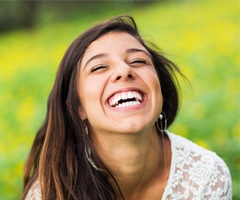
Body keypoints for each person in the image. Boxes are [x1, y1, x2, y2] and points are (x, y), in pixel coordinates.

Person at [22, 15, 232, 200]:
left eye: (138, 60)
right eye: (99, 67)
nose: (124, 70)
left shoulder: (206, 176)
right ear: (77, 109)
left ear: (160, 89)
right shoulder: (50, 192)